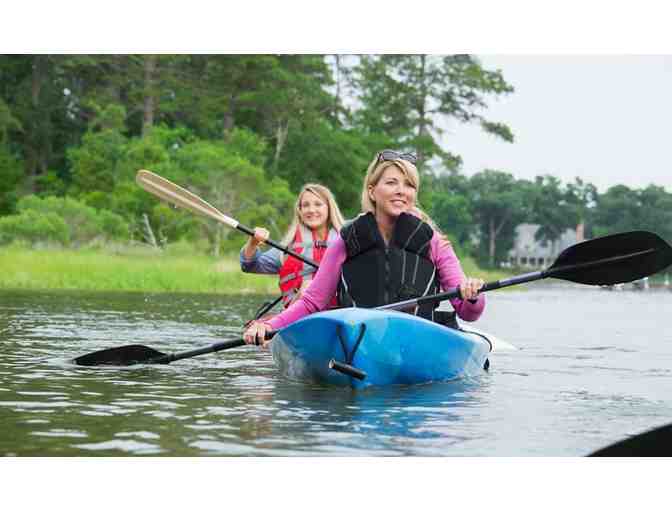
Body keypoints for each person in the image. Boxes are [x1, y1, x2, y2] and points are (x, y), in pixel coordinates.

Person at [243, 149, 486, 347]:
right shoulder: (345, 239)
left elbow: (467, 312)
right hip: (359, 342)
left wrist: (473, 295)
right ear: (372, 190)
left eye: (409, 185)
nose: (402, 190)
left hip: (418, 343)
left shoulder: (434, 242)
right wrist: (270, 325)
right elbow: (312, 303)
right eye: (392, 183)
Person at [240, 183, 346, 310]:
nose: (311, 210)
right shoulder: (287, 248)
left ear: (329, 208)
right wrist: (253, 242)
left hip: (340, 313)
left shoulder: (348, 241)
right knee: (307, 287)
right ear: (299, 211)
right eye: (306, 205)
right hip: (299, 315)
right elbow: (249, 265)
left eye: (318, 204)